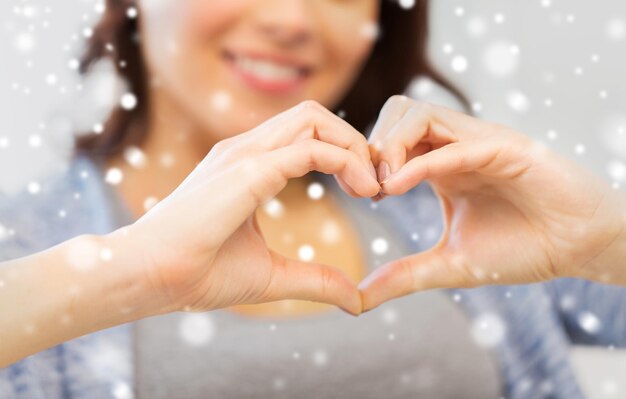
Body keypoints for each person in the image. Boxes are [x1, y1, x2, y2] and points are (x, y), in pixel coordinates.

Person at [0, 0, 625, 398]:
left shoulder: (458, 210)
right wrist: (126, 272)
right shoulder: (23, 250)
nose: (292, 19)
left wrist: (607, 239)